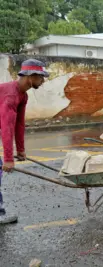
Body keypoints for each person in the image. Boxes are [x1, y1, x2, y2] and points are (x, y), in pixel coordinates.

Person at [0, 59, 49, 224]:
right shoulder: (11, 95)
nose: (43, 81)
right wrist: (8, 159)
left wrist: (20, 149)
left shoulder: (23, 95)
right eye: (41, 77)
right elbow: (6, 127)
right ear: (31, 77)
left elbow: (19, 124)